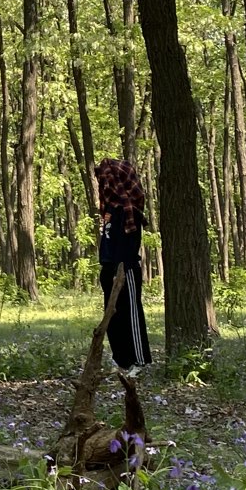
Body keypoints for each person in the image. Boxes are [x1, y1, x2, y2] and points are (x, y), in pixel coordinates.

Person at [95, 157, 152, 376]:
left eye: (106, 178)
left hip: (125, 269)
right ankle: (121, 360)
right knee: (113, 317)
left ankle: (139, 360)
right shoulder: (109, 208)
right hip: (109, 269)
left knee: (131, 313)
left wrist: (121, 269)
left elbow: (129, 245)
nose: (103, 183)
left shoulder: (130, 210)